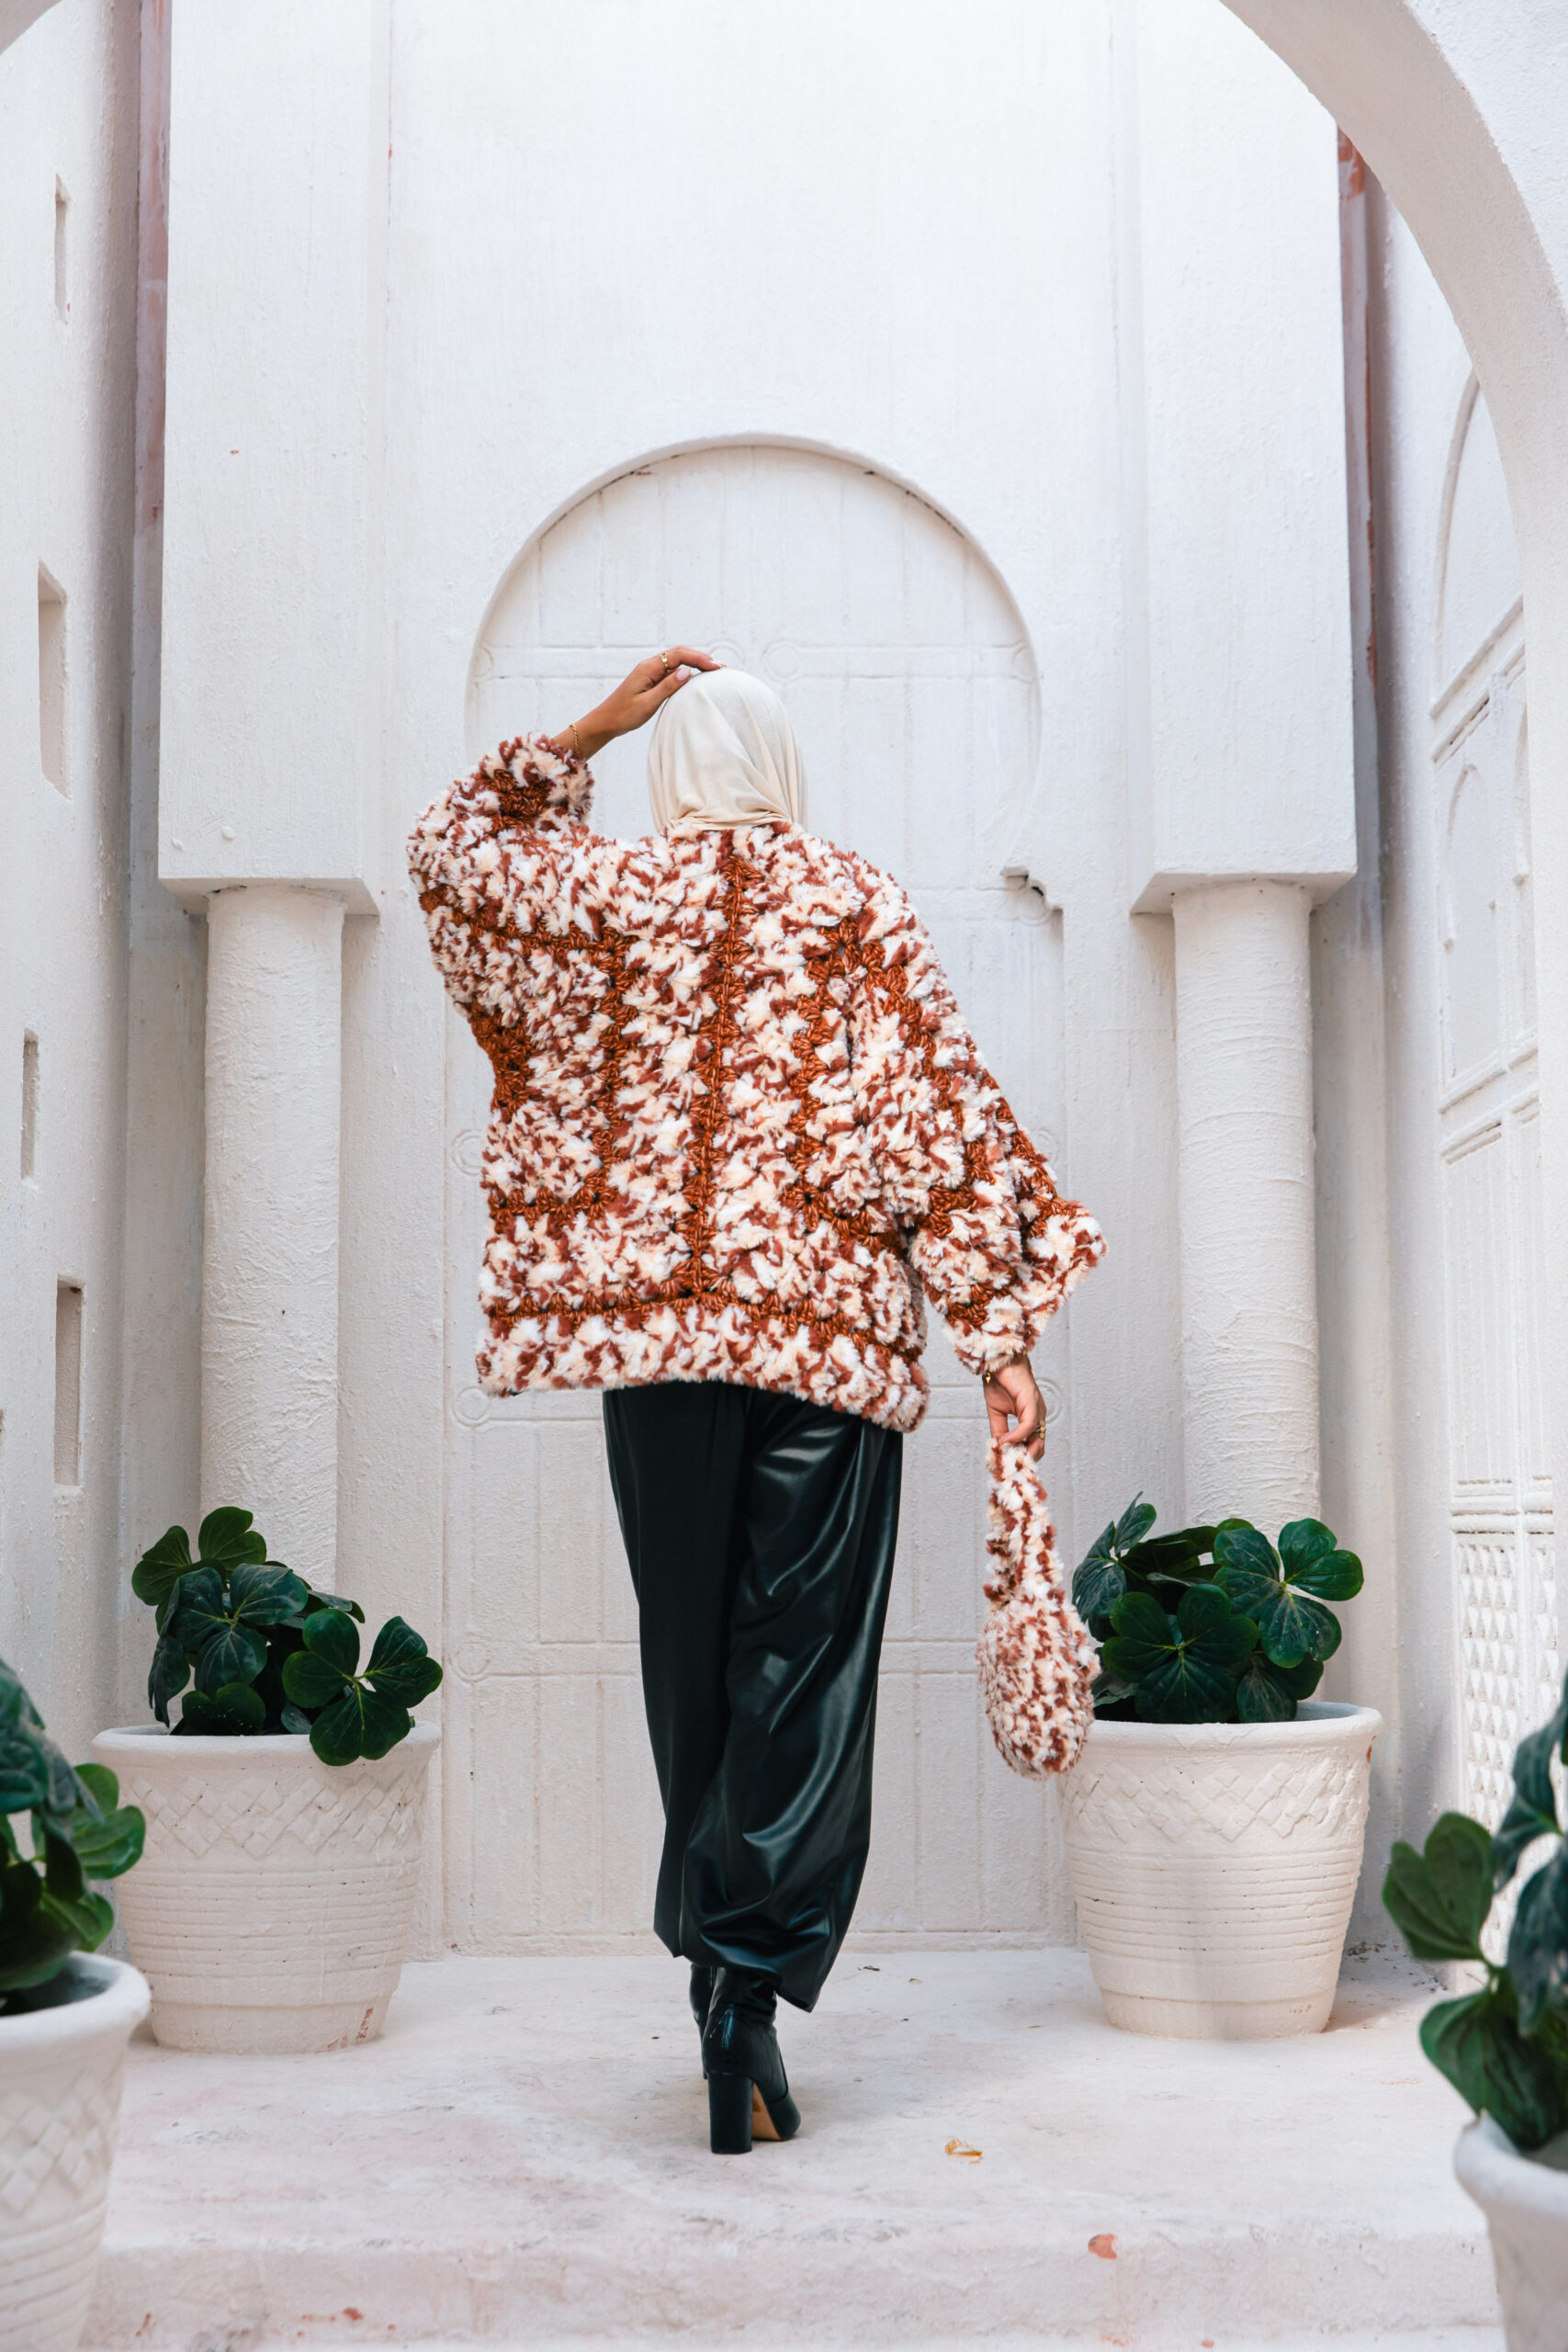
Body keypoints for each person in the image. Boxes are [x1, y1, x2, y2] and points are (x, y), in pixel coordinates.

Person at [409, 650, 1102, 2153]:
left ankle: (715, 1983)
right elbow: (931, 1127)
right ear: (785, 768)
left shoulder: (604, 896)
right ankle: (746, 1982)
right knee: (802, 1669)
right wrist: (998, 1342)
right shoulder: (853, 900)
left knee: (692, 1663)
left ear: (670, 773)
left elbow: (452, 859)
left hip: (659, 1360)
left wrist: (581, 736)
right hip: (825, 1355)